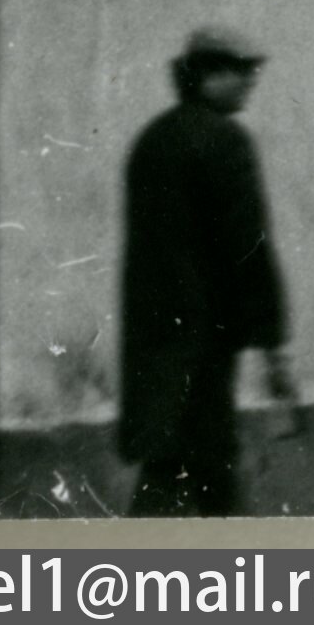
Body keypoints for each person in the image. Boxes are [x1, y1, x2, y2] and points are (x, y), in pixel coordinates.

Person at [119, 28, 300, 515]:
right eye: (241, 69)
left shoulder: (152, 140)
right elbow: (250, 247)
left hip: (155, 331)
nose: (251, 80)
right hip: (206, 337)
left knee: (171, 456)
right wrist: (272, 342)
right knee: (207, 463)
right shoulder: (226, 140)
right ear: (206, 74)